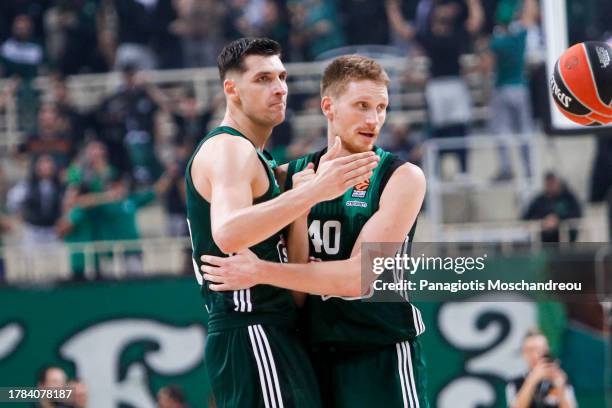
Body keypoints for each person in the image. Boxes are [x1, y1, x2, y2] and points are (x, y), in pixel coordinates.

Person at [200, 55, 427, 407]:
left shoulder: (401, 178)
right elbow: (290, 293)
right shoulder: (292, 178)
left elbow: (356, 278)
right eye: (362, 105)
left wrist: (261, 271)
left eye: (381, 107)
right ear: (328, 106)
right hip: (311, 354)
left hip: (379, 352)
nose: (374, 119)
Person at [506, 329, 577, 408]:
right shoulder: (515, 383)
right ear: (523, 353)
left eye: (539, 349)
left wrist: (560, 389)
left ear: (547, 350)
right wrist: (533, 379)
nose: (534, 354)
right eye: (529, 350)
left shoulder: (560, 378)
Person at [522, 172, 582, 242]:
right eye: (548, 184)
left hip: (567, 241)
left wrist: (558, 219)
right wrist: (543, 222)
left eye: (553, 183)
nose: (551, 187)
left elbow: (577, 213)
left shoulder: (569, 198)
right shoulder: (539, 200)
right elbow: (525, 217)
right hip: (544, 242)